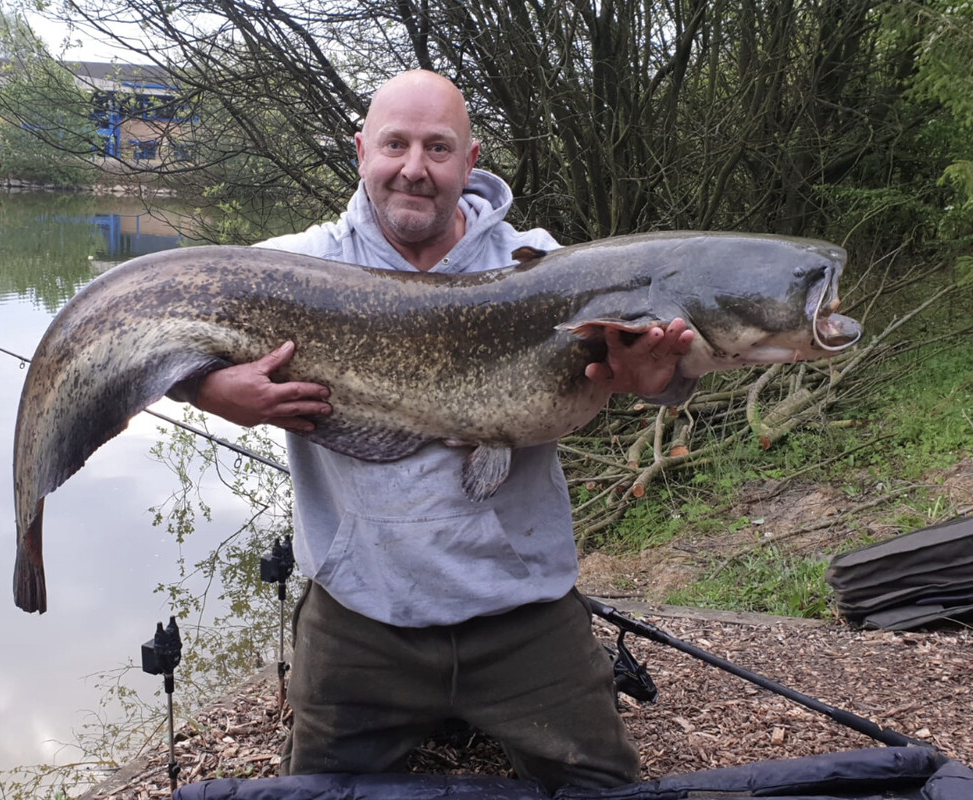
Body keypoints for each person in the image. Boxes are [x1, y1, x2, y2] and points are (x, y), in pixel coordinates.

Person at [179, 70, 694, 793]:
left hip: (523, 615)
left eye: (438, 148)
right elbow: (160, 337)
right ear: (362, 150)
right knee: (313, 794)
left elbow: (664, 363)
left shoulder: (541, 264)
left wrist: (658, 381)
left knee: (603, 788)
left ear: (470, 160)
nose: (414, 168)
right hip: (361, 615)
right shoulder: (292, 267)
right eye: (395, 144)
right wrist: (210, 389)